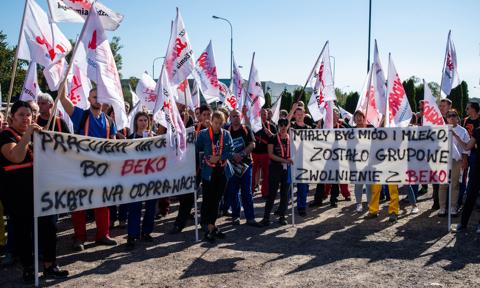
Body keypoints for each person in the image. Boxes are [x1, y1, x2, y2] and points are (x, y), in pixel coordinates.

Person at [0, 101, 68, 281]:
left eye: (28, 114)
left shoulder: (37, 135)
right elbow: (16, 157)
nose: (26, 118)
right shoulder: (6, 136)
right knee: (24, 232)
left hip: (41, 191)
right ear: (12, 117)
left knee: (49, 228)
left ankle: (49, 265)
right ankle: (29, 268)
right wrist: (28, 135)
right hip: (18, 194)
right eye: (21, 114)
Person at [59, 87, 118, 251]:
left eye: (100, 97)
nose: (97, 100)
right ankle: (79, 237)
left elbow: (113, 144)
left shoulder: (109, 121)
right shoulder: (81, 115)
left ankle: (103, 235)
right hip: (82, 167)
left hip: (102, 168)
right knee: (79, 203)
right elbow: (63, 101)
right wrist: (63, 86)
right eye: (94, 97)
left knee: (103, 202)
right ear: (89, 99)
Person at [170, 105, 211, 234]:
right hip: (196, 168)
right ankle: (179, 224)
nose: (206, 118)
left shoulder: (215, 130)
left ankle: (206, 223)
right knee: (188, 196)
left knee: (208, 197)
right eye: (204, 115)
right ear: (200, 116)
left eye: (208, 115)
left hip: (211, 168)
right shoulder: (194, 129)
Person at [196, 111, 234, 242]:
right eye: (215, 122)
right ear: (211, 121)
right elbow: (196, 149)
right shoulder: (203, 134)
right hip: (208, 171)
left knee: (217, 198)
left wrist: (219, 157)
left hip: (222, 170)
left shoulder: (227, 134)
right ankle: (207, 224)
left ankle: (211, 225)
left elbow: (231, 150)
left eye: (220, 123)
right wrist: (207, 157)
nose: (217, 125)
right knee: (208, 198)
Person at [126, 112, 158, 249]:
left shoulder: (155, 138)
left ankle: (146, 232)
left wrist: (154, 141)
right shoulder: (129, 138)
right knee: (134, 207)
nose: (143, 122)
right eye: (140, 120)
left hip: (151, 178)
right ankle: (132, 235)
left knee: (151, 206)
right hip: (135, 178)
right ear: (136, 122)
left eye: (145, 120)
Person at [224, 110, 261, 227]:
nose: (236, 118)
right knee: (233, 192)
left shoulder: (246, 129)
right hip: (232, 166)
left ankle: (250, 218)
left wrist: (243, 153)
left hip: (246, 166)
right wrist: (232, 155)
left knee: (247, 192)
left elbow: (253, 144)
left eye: (237, 116)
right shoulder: (226, 131)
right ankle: (236, 216)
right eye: (233, 116)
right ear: (230, 117)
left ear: (240, 117)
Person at [260, 118, 292, 226]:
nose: (283, 127)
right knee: (272, 193)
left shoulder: (291, 138)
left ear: (288, 126)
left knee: (285, 194)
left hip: (287, 169)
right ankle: (266, 217)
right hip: (275, 168)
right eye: (281, 125)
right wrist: (284, 160)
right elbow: (270, 154)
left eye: (285, 125)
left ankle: (282, 216)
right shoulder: (273, 138)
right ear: (278, 126)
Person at [437, 110, 469, 217]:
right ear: (446, 118)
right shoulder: (441, 129)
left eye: (453, 115)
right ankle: (442, 208)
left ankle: (453, 207)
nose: (451, 117)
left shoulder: (463, 131)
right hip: (443, 160)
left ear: (457, 117)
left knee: (454, 185)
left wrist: (464, 160)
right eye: (449, 116)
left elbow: (466, 148)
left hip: (457, 160)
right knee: (443, 184)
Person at [452, 123, 480, 233]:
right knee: (470, 196)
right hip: (477, 168)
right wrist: (456, 136)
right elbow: (467, 146)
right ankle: (463, 224)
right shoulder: (477, 130)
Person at [289, 105, 315, 216]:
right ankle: (283, 207)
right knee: (288, 186)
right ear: (294, 115)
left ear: (304, 115)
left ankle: (301, 207)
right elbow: (285, 122)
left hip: (305, 161)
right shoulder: (291, 127)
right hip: (292, 160)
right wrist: (292, 109)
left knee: (303, 186)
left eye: (301, 114)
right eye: (297, 114)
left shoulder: (309, 129)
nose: (299, 116)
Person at [252, 108, 277, 198]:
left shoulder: (272, 126)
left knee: (266, 174)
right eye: (261, 114)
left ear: (267, 115)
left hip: (266, 154)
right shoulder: (253, 126)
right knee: (252, 173)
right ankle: (250, 190)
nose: (263, 116)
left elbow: (276, 140)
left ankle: (265, 192)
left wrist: (270, 134)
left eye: (264, 114)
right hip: (254, 153)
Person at [352, 111, 372, 212]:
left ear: (364, 117)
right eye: (357, 117)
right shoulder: (351, 131)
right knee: (358, 184)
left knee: (369, 184)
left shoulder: (370, 128)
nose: (359, 118)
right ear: (354, 119)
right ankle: (359, 203)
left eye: (361, 116)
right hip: (357, 161)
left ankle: (369, 202)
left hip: (369, 161)